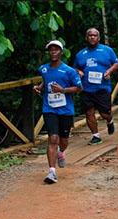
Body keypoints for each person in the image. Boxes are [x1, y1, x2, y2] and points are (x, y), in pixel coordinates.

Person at [33, 40, 82, 183]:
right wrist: (39, 87)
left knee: (64, 140)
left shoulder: (69, 71)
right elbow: (46, 80)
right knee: (53, 138)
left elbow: (79, 88)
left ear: (61, 52)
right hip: (49, 109)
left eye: (56, 50)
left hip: (66, 110)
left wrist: (63, 90)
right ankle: (52, 172)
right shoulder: (43, 69)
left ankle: (61, 152)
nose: (53, 52)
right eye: (51, 50)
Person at [74, 28, 118, 145]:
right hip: (86, 88)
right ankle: (96, 135)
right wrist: (78, 71)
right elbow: (74, 68)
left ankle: (109, 121)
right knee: (89, 113)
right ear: (86, 37)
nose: (92, 37)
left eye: (95, 35)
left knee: (104, 113)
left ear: (98, 38)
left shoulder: (107, 50)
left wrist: (109, 71)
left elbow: (117, 63)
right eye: (90, 35)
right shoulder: (80, 54)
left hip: (102, 87)